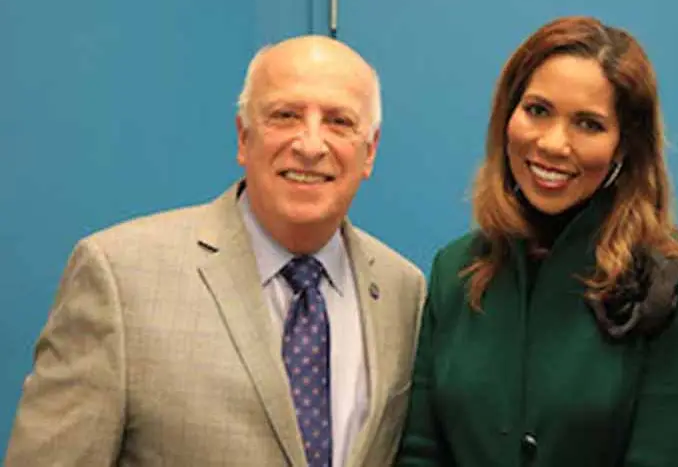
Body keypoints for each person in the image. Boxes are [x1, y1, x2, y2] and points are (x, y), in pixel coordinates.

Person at [5, 35, 426, 467]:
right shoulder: (119, 276)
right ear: (244, 138)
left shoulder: (404, 291)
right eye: (286, 115)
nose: (310, 145)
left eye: (339, 122)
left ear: (369, 151)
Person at [394, 16, 678, 467]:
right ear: (508, 114)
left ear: (624, 146)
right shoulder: (456, 270)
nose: (553, 143)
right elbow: (420, 453)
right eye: (538, 110)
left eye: (588, 124)